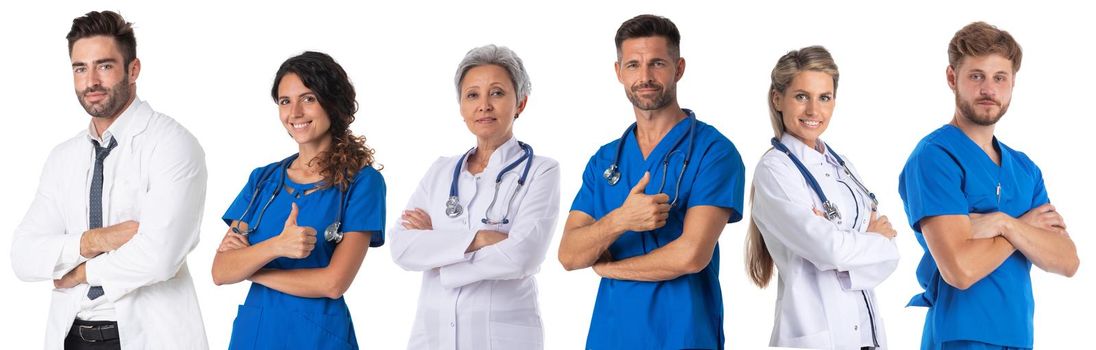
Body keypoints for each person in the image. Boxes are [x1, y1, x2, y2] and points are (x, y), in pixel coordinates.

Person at [10, 10, 209, 349]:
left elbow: (159, 256)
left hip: (149, 336)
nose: (91, 82)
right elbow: (23, 256)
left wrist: (79, 273)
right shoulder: (63, 158)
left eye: (104, 66)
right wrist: (97, 240)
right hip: (72, 335)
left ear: (133, 69)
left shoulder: (172, 144)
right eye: (80, 68)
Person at [557, 14, 745, 349]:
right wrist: (621, 220)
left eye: (657, 63)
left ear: (679, 68)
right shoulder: (605, 160)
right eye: (633, 65)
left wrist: (609, 269)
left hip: (683, 335)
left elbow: (691, 255)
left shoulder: (713, 152)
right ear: (618, 73)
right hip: (610, 336)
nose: (644, 77)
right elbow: (570, 255)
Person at [898, 22, 1079, 350]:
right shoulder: (935, 157)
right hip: (961, 335)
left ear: (1012, 83)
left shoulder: (1025, 169)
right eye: (976, 75)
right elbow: (960, 269)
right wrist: (1023, 231)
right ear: (952, 78)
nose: (989, 89)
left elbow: (1066, 260)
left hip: (1019, 335)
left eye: (1000, 77)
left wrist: (1000, 223)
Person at [389, 44, 560, 350]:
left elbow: (523, 255)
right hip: (432, 336)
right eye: (472, 95)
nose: (484, 105)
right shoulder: (441, 171)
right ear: (461, 107)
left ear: (520, 103)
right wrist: (481, 238)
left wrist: (439, 251)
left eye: (496, 93)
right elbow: (402, 248)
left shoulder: (541, 171)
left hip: (502, 339)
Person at [211, 51, 386, 350]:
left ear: (332, 102)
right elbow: (220, 271)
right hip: (256, 333)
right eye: (284, 101)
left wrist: (251, 269)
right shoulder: (264, 179)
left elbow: (333, 283)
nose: (295, 113)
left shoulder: (362, 182)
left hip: (317, 336)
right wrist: (277, 246)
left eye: (308, 98)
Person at [745, 46, 899, 349]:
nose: (814, 110)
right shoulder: (776, 170)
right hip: (816, 334)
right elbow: (829, 249)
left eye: (824, 98)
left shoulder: (842, 165)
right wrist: (867, 240)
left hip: (867, 335)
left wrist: (847, 244)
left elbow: (890, 253)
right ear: (778, 99)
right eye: (802, 96)